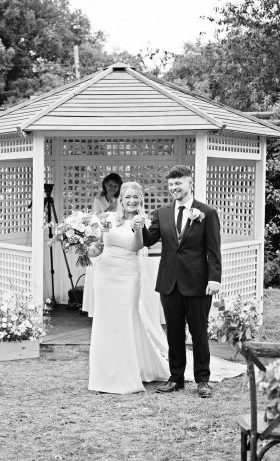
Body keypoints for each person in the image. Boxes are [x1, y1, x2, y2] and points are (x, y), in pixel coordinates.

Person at [136, 165, 222, 398]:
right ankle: (176, 378)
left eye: (178, 183)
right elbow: (148, 239)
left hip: (197, 282)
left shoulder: (207, 212)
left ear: (189, 183)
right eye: (171, 184)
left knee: (199, 332)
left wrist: (215, 279)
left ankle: (202, 380)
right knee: (173, 332)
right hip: (169, 282)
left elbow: (214, 250)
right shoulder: (161, 213)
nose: (174, 188)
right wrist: (139, 225)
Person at [87, 181, 170, 393]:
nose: (132, 200)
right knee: (105, 321)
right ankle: (103, 374)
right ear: (121, 200)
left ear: (140, 200)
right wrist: (84, 245)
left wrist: (139, 228)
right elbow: (97, 247)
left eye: (136, 197)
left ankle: (127, 374)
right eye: (127, 197)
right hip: (105, 274)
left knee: (125, 320)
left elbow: (135, 246)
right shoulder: (107, 219)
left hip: (128, 275)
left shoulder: (145, 222)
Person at [82, 172, 123, 317]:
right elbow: (94, 219)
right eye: (109, 184)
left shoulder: (122, 199)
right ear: (104, 185)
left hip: (117, 238)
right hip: (100, 238)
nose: (112, 187)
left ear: (119, 187)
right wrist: (110, 208)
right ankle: (97, 309)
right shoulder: (98, 199)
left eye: (115, 185)